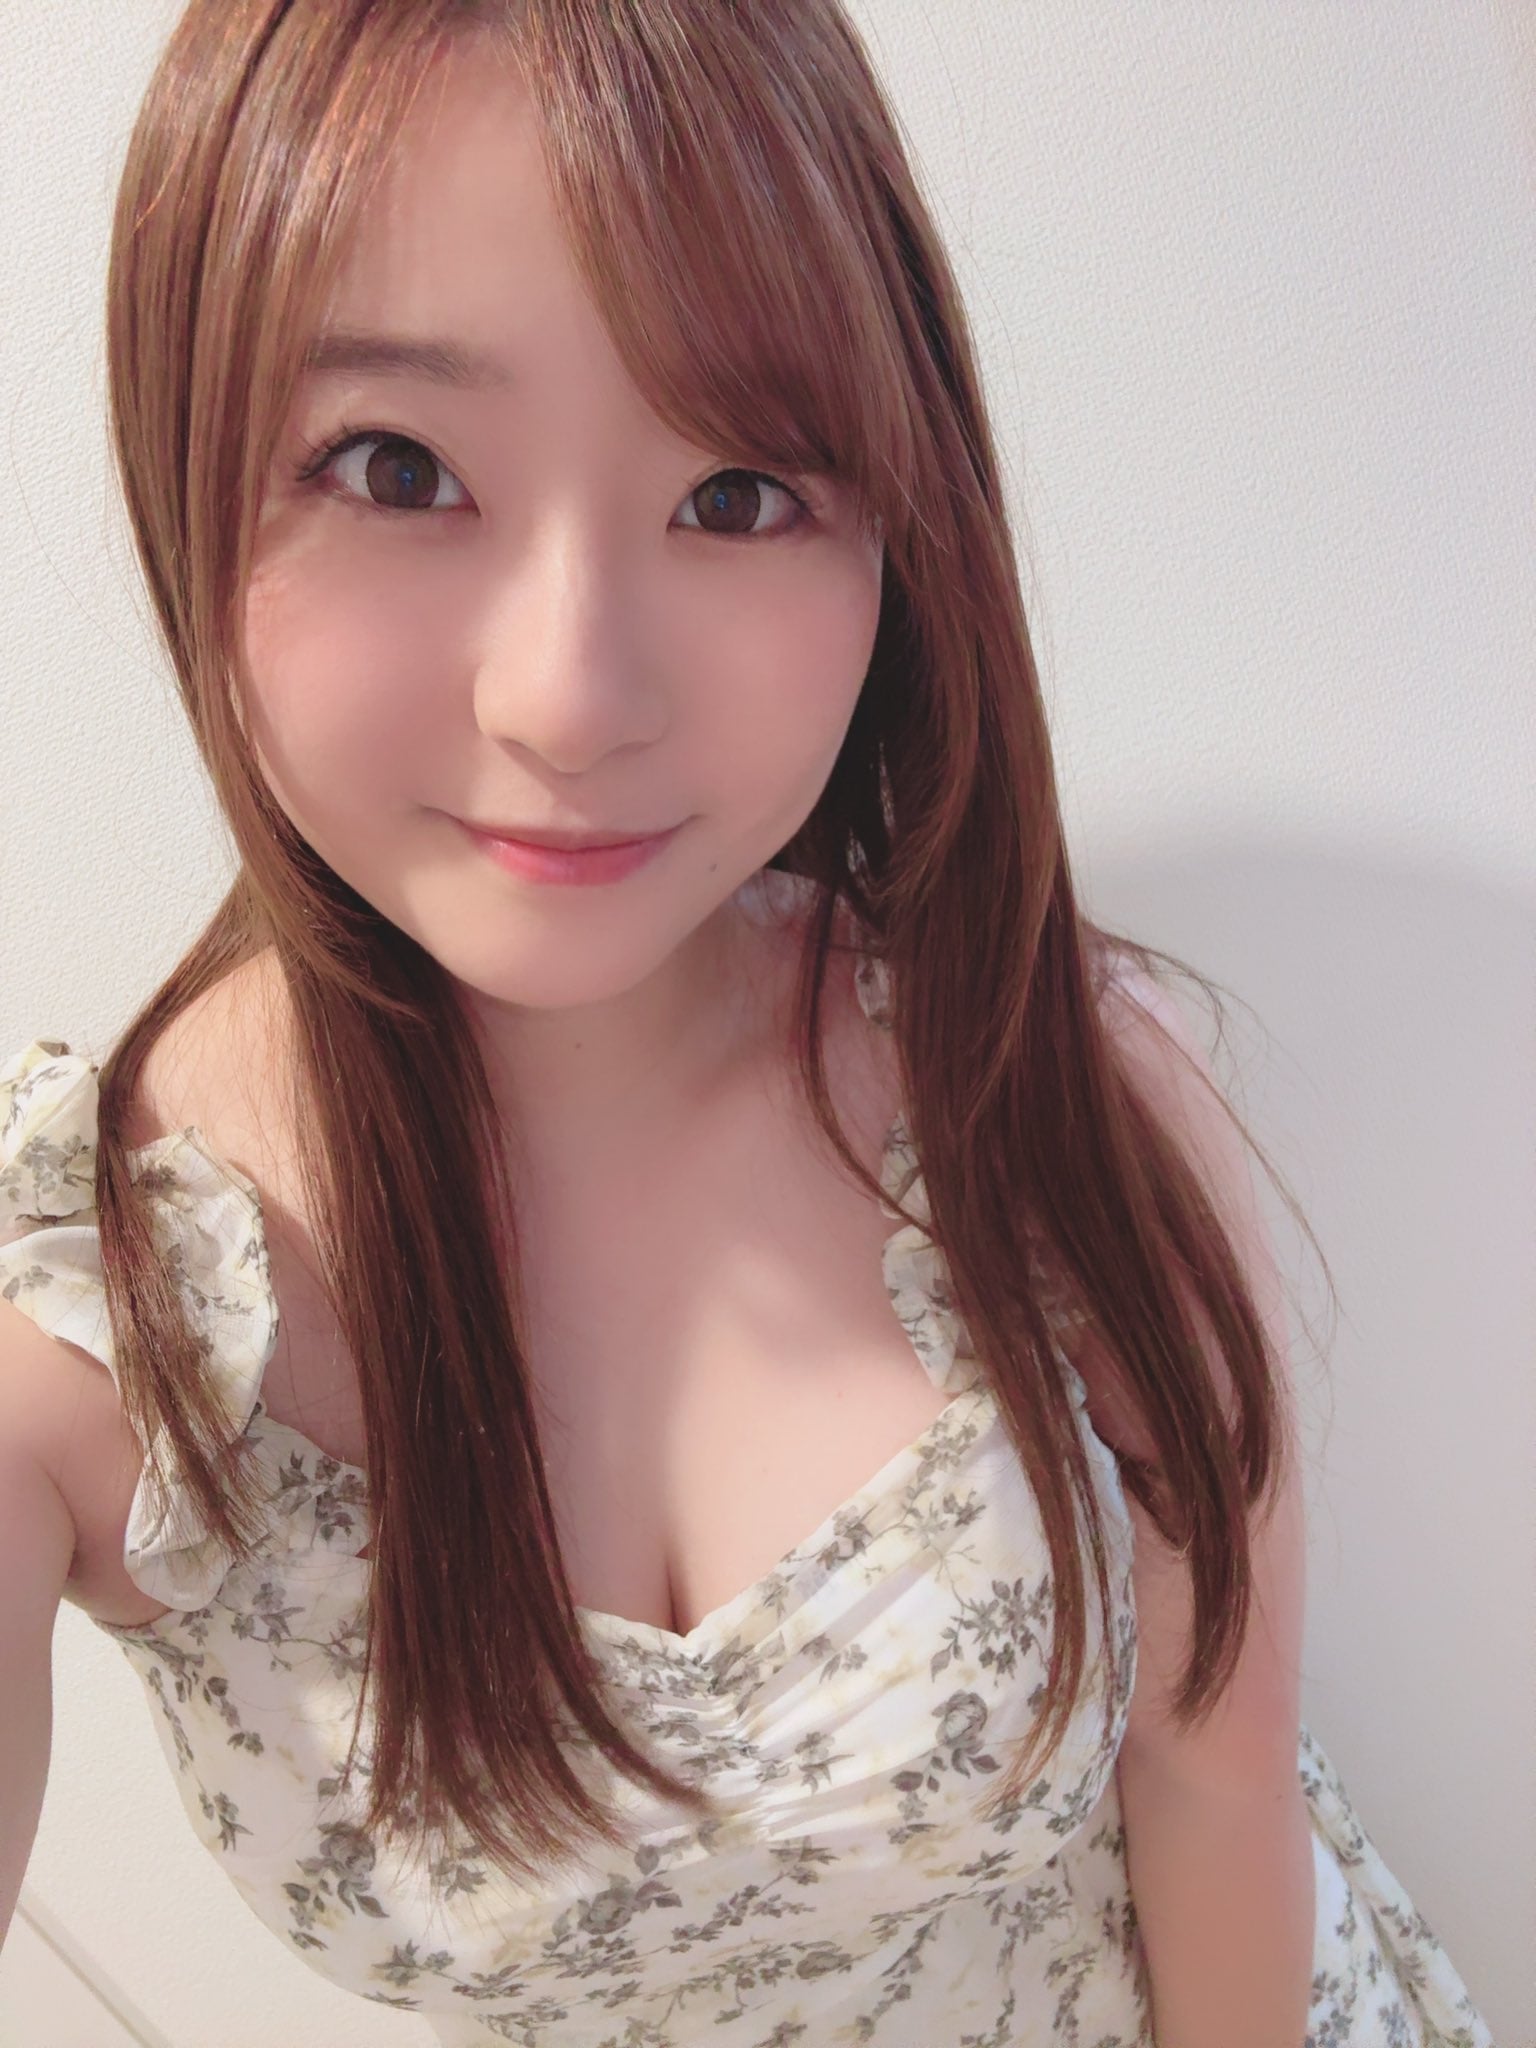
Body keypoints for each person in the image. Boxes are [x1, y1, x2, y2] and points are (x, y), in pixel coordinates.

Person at [0, 3, 1494, 2044]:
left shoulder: (1035, 1085)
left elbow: (1216, 1781)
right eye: (397, 467)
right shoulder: (98, 1336)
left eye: (738, 490)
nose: (570, 697)